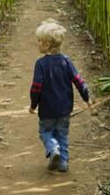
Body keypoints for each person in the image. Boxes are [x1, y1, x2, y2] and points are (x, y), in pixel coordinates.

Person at [29, 19, 92, 172]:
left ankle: (53, 149)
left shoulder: (41, 64)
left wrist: (33, 105)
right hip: (64, 108)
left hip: (47, 110)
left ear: (46, 44)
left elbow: (36, 87)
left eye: (39, 41)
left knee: (45, 132)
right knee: (62, 134)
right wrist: (87, 98)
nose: (37, 44)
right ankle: (63, 163)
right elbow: (78, 80)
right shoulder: (66, 61)